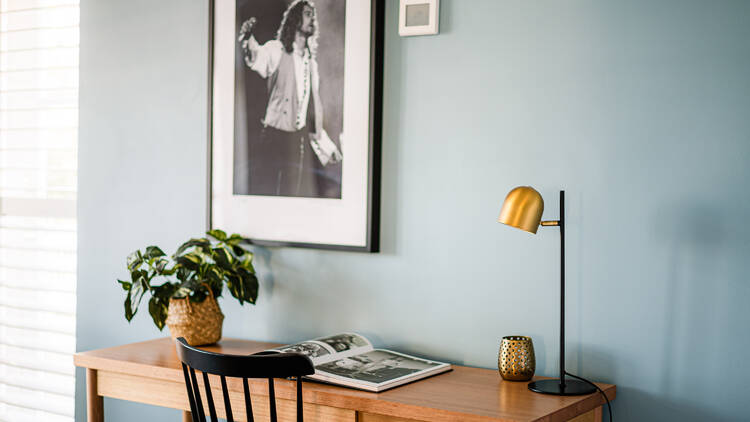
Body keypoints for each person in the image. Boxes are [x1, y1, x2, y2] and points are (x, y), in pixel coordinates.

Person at [238, 0, 324, 197]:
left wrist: (322, 143)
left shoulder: (311, 63)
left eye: (313, 15)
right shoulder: (277, 49)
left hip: (297, 140)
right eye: (308, 14)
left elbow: (315, 102)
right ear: (295, 19)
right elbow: (258, 58)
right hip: (274, 137)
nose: (312, 19)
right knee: (269, 192)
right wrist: (248, 40)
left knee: (291, 194)